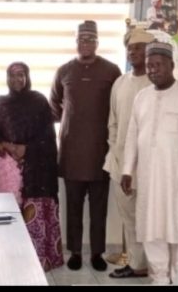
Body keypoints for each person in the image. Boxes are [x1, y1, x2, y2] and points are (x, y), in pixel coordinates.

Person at [121, 41, 178, 284]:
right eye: (149, 66)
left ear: (172, 65)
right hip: (148, 177)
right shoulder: (141, 97)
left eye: (158, 65)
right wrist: (126, 171)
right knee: (151, 229)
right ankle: (159, 279)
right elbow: (133, 134)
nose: (153, 70)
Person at [50, 20, 122, 271]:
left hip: (101, 153)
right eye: (82, 39)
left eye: (91, 39)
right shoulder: (64, 71)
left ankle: (97, 254)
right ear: (76, 42)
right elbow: (55, 106)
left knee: (99, 209)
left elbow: (118, 107)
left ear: (98, 42)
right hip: (71, 153)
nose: (86, 43)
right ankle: (76, 252)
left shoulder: (112, 71)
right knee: (73, 207)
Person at [0, 61, 64, 272]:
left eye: (21, 75)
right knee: (7, 216)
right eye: (12, 75)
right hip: (8, 174)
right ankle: (6, 260)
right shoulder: (1, 103)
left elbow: (48, 137)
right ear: (7, 78)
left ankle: (37, 261)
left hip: (36, 173)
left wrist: (26, 149)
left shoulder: (39, 101)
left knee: (32, 216)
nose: (17, 79)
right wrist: (2, 145)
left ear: (27, 77)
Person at [104, 29, 155, 279]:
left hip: (150, 167)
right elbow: (113, 122)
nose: (133, 52)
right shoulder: (120, 83)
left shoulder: (157, 83)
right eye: (130, 48)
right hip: (120, 163)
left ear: (150, 50)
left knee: (151, 217)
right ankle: (136, 265)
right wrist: (116, 153)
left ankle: (154, 264)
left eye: (139, 47)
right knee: (128, 218)